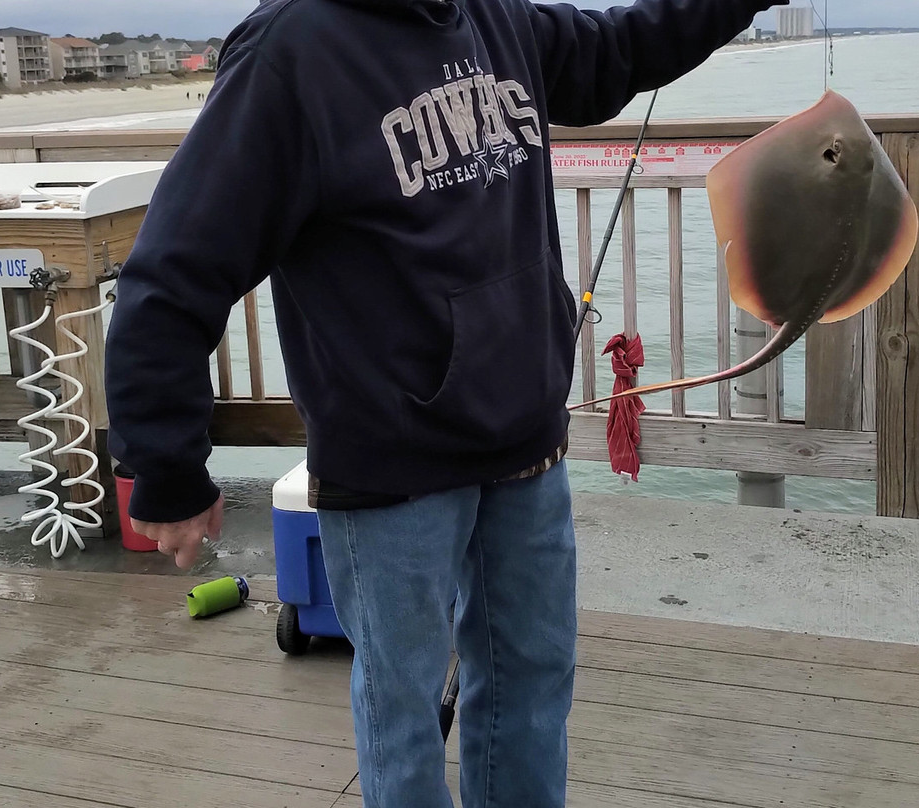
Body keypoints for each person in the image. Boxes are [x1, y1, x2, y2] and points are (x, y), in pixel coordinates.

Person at [103, 0, 787, 805]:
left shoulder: (497, 16)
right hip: (391, 466)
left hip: (525, 445)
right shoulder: (290, 52)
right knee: (403, 707)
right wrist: (168, 464)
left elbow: (622, 50)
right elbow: (176, 268)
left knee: (533, 679)